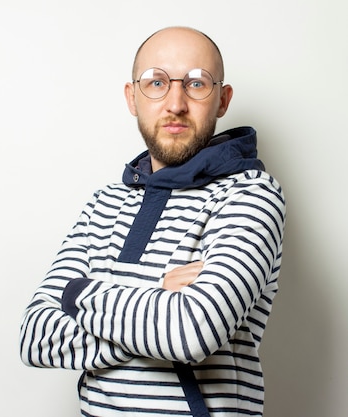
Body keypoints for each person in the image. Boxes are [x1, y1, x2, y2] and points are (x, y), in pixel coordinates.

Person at [18, 26, 286, 417]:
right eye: (156, 82)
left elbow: (191, 333)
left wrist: (76, 295)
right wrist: (158, 290)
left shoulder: (252, 195)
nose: (175, 103)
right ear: (132, 97)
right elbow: (36, 338)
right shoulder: (104, 203)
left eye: (196, 83)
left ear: (223, 100)